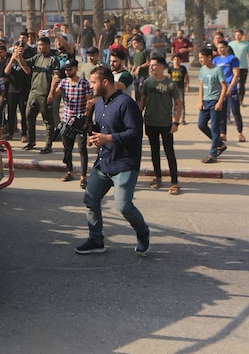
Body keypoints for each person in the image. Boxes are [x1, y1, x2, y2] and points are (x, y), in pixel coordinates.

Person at [74, 65, 150, 256]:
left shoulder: (126, 103)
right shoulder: (99, 103)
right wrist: (93, 136)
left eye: (93, 82)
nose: (91, 86)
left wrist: (108, 138)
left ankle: (143, 233)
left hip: (124, 163)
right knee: (90, 199)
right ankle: (96, 240)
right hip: (104, 161)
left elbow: (135, 133)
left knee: (124, 206)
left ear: (105, 82)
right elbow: (100, 129)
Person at [139, 56, 183, 194]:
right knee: (154, 151)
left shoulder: (170, 84)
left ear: (162, 66)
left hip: (166, 123)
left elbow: (178, 103)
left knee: (169, 152)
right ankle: (158, 177)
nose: (151, 67)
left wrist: (176, 122)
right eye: (150, 65)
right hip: (150, 122)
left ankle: (174, 182)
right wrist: (138, 115)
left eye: (154, 65)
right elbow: (143, 99)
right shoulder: (148, 82)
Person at [21, 33, 70, 153]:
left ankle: (48, 145)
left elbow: (55, 78)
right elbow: (25, 64)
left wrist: (51, 94)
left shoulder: (53, 59)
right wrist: (18, 56)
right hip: (33, 93)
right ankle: (31, 141)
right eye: (38, 45)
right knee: (28, 117)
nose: (39, 47)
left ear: (48, 45)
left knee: (48, 121)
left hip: (45, 94)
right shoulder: (37, 57)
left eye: (41, 45)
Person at [49, 59, 92, 187]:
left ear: (75, 68)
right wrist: (52, 86)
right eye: (66, 70)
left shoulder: (84, 83)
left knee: (82, 149)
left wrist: (86, 120)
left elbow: (89, 104)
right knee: (67, 149)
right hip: (67, 121)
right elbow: (50, 100)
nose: (67, 72)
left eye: (69, 69)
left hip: (79, 122)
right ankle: (70, 171)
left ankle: (83, 176)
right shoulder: (63, 83)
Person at [197, 47, 228, 163]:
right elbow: (201, 85)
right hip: (205, 101)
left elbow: (224, 86)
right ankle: (220, 144)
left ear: (209, 57)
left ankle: (213, 154)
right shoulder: (202, 69)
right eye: (199, 57)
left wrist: (220, 101)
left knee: (215, 128)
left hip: (215, 101)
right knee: (201, 124)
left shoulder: (217, 70)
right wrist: (200, 100)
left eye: (202, 57)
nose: (200, 59)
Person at [214, 40, 245, 145]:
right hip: (220, 89)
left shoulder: (232, 59)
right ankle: (223, 133)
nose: (220, 50)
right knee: (221, 113)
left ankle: (240, 132)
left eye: (222, 47)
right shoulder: (216, 60)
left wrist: (230, 88)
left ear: (227, 48)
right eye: (218, 48)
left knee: (235, 111)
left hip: (231, 89)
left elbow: (236, 75)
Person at [229, 29, 249, 103]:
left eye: (239, 35)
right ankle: (232, 99)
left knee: (242, 84)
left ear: (242, 36)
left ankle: (240, 99)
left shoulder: (246, 44)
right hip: (233, 67)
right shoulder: (230, 44)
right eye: (236, 35)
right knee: (233, 83)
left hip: (243, 67)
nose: (237, 36)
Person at [168, 54, 190, 124]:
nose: (176, 61)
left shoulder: (183, 68)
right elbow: (169, 78)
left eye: (178, 60)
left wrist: (187, 85)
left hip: (180, 87)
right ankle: (174, 118)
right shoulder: (171, 68)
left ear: (181, 61)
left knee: (181, 102)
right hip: (173, 88)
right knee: (173, 103)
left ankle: (183, 118)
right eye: (175, 60)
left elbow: (186, 77)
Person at [129, 35, 150, 102]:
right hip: (136, 75)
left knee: (141, 89)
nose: (134, 45)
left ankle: (144, 102)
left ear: (140, 43)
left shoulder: (145, 52)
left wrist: (139, 67)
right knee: (136, 89)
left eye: (135, 43)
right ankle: (138, 104)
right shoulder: (135, 54)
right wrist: (132, 71)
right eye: (133, 44)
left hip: (143, 75)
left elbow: (148, 63)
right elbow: (135, 64)